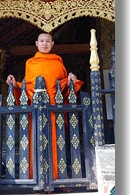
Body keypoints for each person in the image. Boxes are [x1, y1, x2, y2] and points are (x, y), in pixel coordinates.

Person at [6, 32, 84, 180]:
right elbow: (28, 87)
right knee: (34, 143)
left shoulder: (58, 63)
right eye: (41, 41)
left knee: (56, 144)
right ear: (36, 43)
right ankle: (36, 178)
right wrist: (15, 84)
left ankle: (57, 177)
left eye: (48, 41)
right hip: (35, 110)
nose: (44, 44)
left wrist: (69, 81)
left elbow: (61, 86)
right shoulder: (30, 63)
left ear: (52, 44)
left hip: (54, 110)